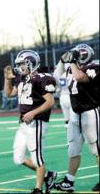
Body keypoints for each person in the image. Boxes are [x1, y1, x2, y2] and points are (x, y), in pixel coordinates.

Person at [4, 50, 57, 194]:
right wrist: (7, 79)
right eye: (19, 64)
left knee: (37, 157)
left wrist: (33, 113)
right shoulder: (22, 78)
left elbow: (50, 101)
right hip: (23, 124)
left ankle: (38, 189)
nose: (20, 67)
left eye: (22, 64)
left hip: (37, 122)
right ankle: (48, 175)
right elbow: (9, 94)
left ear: (31, 63)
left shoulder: (41, 78)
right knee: (18, 158)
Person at [53, 44, 100, 192]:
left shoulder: (94, 67)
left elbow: (80, 77)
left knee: (97, 148)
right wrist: (62, 61)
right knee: (73, 148)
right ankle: (69, 181)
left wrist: (72, 62)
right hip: (75, 113)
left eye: (76, 54)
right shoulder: (70, 68)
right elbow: (56, 77)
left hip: (91, 112)